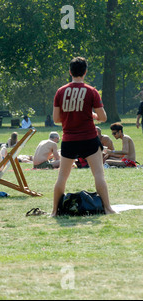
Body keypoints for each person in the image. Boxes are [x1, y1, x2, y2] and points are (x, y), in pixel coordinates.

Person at [51, 56, 115, 216]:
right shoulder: (91, 91)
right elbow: (104, 118)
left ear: (70, 72)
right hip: (89, 139)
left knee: (62, 177)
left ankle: (53, 211)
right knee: (99, 174)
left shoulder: (60, 92)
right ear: (85, 72)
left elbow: (56, 119)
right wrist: (92, 115)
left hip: (69, 140)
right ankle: (108, 209)